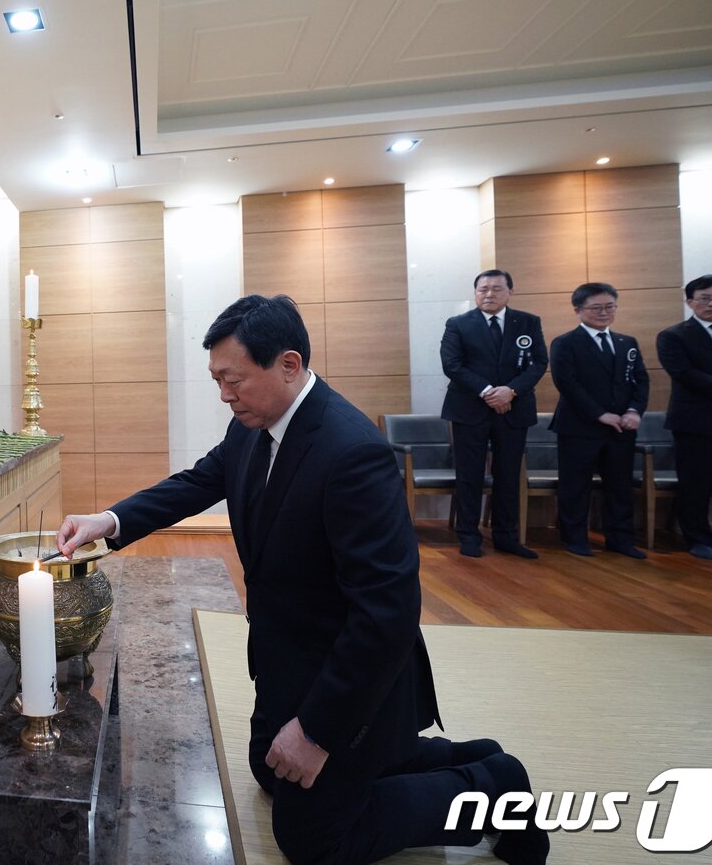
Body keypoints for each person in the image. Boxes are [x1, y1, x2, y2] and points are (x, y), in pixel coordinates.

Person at [57, 295, 546, 865]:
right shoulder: (254, 422)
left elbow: (385, 617)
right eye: (217, 380)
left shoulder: (352, 452)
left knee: (313, 839)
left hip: (353, 673)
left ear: (288, 365)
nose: (224, 394)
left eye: (232, 379)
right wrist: (109, 520)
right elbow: (198, 481)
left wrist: (316, 732)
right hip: (289, 654)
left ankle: (493, 788)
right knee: (272, 770)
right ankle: (457, 756)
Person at [440, 270, 548, 559]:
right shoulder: (459, 324)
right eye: (483, 289)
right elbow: (452, 364)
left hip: (514, 408)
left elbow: (538, 363)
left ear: (510, 292)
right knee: (469, 475)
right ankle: (468, 535)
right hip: (469, 409)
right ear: (475, 293)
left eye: (496, 289)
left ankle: (506, 536)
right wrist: (489, 392)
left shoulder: (527, 322)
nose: (489, 294)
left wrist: (510, 391)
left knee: (508, 474)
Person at [548, 283, 649, 559]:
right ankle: (575, 538)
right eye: (596, 308)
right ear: (578, 310)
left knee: (619, 486)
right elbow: (567, 383)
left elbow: (640, 380)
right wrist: (599, 414)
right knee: (575, 485)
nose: (604, 312)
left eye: (609, 306)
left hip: (621, 427)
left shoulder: (626, 342)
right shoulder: (564, 343)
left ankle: (620, 539)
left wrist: (634, 411)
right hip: (579, 427)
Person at [655, 274, 712, 560]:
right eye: (704, 298)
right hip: (696, 423)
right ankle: (698, 539)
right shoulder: (673, 335)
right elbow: (685, 374)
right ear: (690, 302)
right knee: (695, 484)